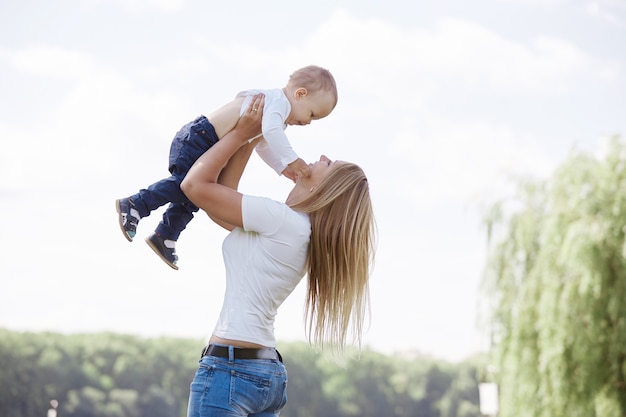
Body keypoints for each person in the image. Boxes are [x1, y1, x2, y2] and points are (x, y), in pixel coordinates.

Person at [181, 94, 375, 416]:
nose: (322, 156)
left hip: (230, 370)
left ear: (322, 191)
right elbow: (221, 205)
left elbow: (195, 185)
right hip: (264, 375)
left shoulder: (284, 222)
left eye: (328, 164)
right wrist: (252, 135)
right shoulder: (300, 233)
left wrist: (241, 134)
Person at [115, 65, 338, 270]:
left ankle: (166, 234)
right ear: (300, 94)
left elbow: (261, 144)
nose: (309, 122)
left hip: (211, 143)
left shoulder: (277, 115)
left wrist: (281, 167)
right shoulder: (278, 102)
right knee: (187, 187)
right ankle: (136, 204)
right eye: (312, 114)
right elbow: (271, 133)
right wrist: (292, 160)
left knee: (195, 197)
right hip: (201, 138)